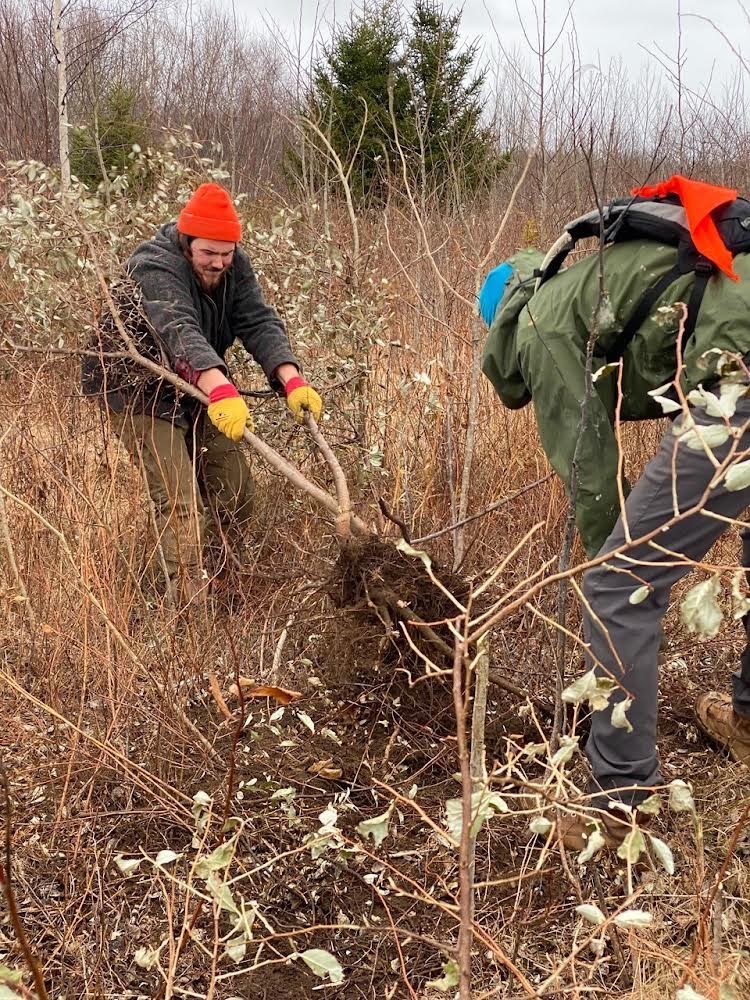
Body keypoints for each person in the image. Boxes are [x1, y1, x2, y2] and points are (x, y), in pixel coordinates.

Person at [480, 180, 750, 849]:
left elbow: (590, 470)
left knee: (618, 583)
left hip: (738, 380)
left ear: (502, 325)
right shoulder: (595, 277)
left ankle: (621, 798)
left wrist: (618, 566)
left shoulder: (540, 324)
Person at [83, 182, 322, 606]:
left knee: (237, 495)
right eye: (208, 252)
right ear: (187, 240)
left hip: (197, 388)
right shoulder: (153, 264)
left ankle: (208, 578)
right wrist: (221, 388)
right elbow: (178, 329)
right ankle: (182, 607)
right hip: (138, 390)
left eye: (226, 253)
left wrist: (290, 378)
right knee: (179, 505)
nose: (218, 263)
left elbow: (258, 321)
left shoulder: (235, 266)